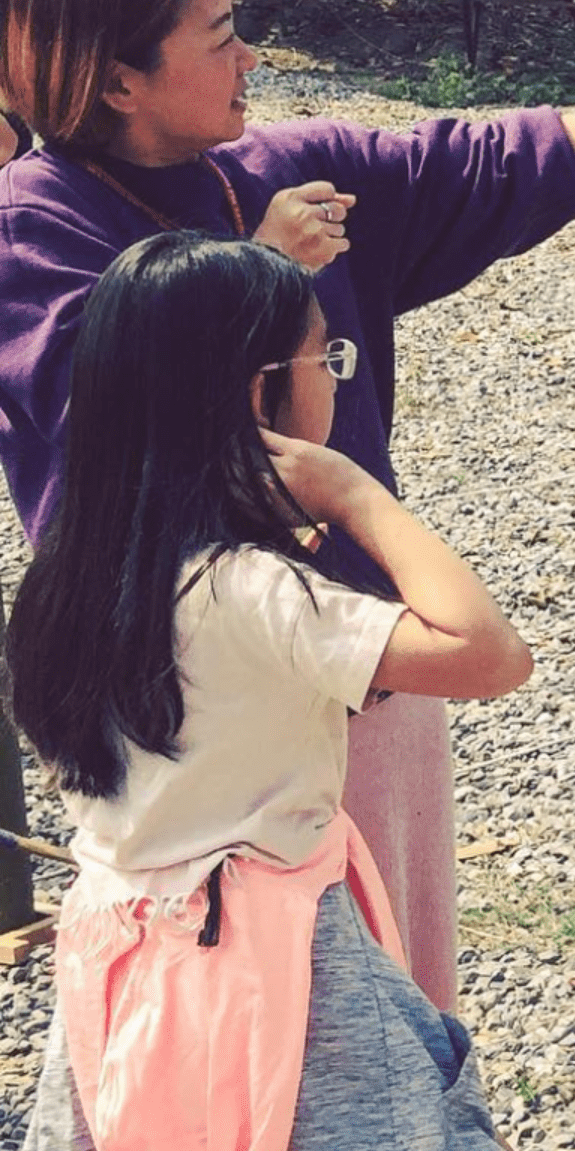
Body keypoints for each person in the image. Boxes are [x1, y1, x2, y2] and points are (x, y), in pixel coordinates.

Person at [0, 0, 575, 1007]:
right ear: (118, 80)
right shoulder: (31, 223)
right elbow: (98, 407)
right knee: (207, 998)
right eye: (221, 36)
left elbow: (487, 163)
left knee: (390, 987)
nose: (252, 56)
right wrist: (255, 271)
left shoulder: (282, 164)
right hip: (179, 693)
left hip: (355, 660)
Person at [4, 230, 532, 1149]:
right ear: (259, 391)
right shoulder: (249, 589)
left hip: (119, 953)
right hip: (271, 965)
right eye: (326, 355)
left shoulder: (64, 585)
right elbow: (489, 654)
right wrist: (355, 493)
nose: (337, 375)